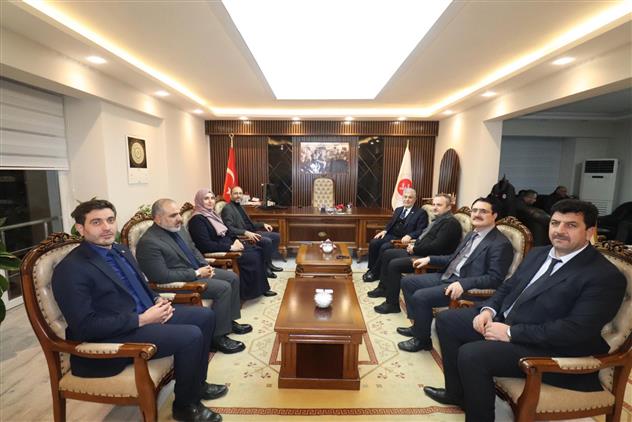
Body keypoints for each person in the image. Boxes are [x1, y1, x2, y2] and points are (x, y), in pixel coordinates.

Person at [424, 199, 626, 422]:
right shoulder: (539, 253)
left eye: (571, 225)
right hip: (509, 321)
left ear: (589, 231)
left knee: (472, 355)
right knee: (447, 320)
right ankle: (456, 394)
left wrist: (510, 333)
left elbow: (576, 330)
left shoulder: (604, 276)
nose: (559, 231)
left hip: (551, 347)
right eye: (555, 223)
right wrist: (488, 310)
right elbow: (507, 287)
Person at [52, 199, 226, 422]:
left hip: (145, 314)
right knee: (191, 336)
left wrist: (156, 299)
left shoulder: (121, 250)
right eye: (96, 222)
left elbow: (140, 285)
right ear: (80, 228)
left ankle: (197, 385)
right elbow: (85, 326)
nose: (106, 227)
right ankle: (185, 406)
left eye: (110, 220)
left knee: (205, 316)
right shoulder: (71, 268)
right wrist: (142, 319)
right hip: (114, 334)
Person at [392, 197, 513, 354]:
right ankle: (418, 327)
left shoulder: (500, 243)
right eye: (475, 210)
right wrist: (430, 259)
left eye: (483, 211)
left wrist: (464, 284)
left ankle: (422, 341)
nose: (477, 214)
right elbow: (453, 258)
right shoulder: (472, 234)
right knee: (408, 282)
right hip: (449, 275)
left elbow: (494, 278)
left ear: (494, 215)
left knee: (421, 296)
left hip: (465, 286)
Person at [136, 198, 250, 355]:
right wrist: (197, 273)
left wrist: (205, 265)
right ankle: (217, 337)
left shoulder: (178, 228)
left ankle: (228, 322)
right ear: (158, 219)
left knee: (233, 278)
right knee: (223, 288)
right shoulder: (149, 242)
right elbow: (161, 276)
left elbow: (193, 248)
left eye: (178, 214)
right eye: (173, 215)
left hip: (197, 270)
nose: (179, 218)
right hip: (179, 282)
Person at [367, 193, 461, 302]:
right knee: (388, 253)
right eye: (434, 204)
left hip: (429, 258)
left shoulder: (450, 223)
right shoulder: (440, 219)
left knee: (394, 264)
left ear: (449, 207)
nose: (435, 207)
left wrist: (415, 249)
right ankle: (383, 288)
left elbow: (437, 247)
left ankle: (392, 303)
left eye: (439, 205)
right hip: (420, 251)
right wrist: (414, 245)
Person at [188, 189, 276, 300]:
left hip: (228, 244)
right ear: (199, 201)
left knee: (257, 250)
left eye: (212, 198)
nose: (210, 201)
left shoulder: (212, 215)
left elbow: (226, 231)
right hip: (219, 250)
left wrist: (235, 240)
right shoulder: (197, 220)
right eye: (206, 199)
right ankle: (249, 292)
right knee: (252, 256)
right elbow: (205, 245)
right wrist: (230, 247)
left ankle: (261, 288)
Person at [362, 188, 428, 282]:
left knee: (385, 247)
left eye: (410, 197)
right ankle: (371, 269)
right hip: (391, 235)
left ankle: (375, 273)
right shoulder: (398, 210)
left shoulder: (421, 213)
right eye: (405, 197)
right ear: (402, 197)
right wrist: (385, 231)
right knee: (374, 242)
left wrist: (410, 235)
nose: (407, 199)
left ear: (415, 199)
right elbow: (391, 223)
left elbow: (422, 230)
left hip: (402, 239)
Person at [221, 186, 283, 278]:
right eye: (235, 193)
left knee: (276, 236)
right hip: (241, 236)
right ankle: (265, 269)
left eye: (240, 193)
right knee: (267, 241)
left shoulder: (240, 206)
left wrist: (263, 224)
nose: (238, 195)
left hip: (251, 232)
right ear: (230, 195)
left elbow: (249, 224)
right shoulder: (228, 208)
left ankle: (269, 264)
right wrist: (245, 232)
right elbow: (229, 228)